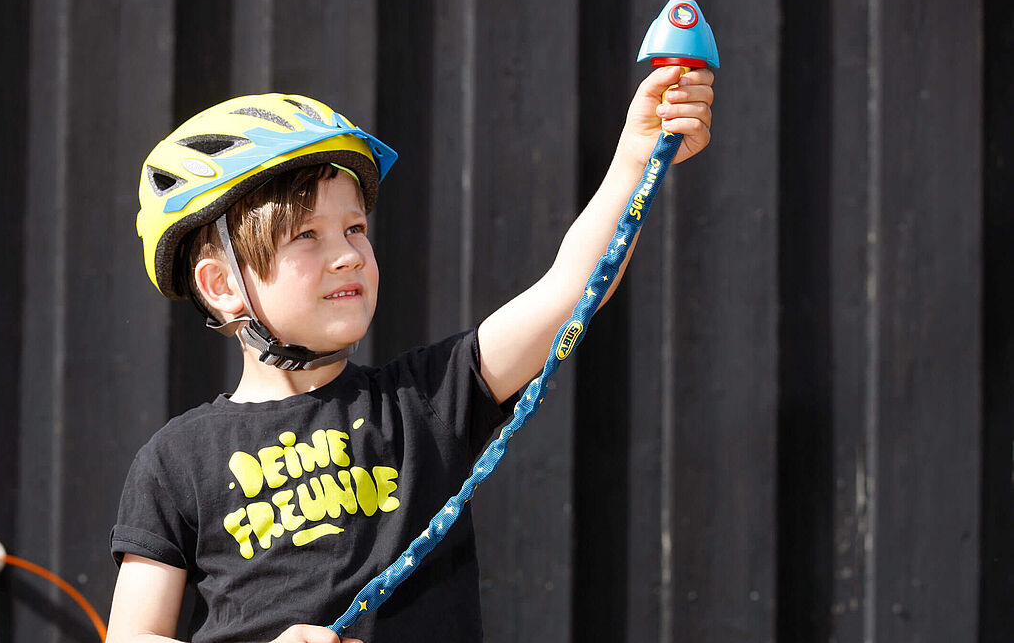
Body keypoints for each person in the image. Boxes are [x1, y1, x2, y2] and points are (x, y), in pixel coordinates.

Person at [107, 66, 714, 643]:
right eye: (307, 236)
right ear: (221, 284)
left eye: (355, 229)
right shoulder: (175, 461)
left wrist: (638, 153)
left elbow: (571, 288)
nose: (348, 254)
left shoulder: (425, 399)